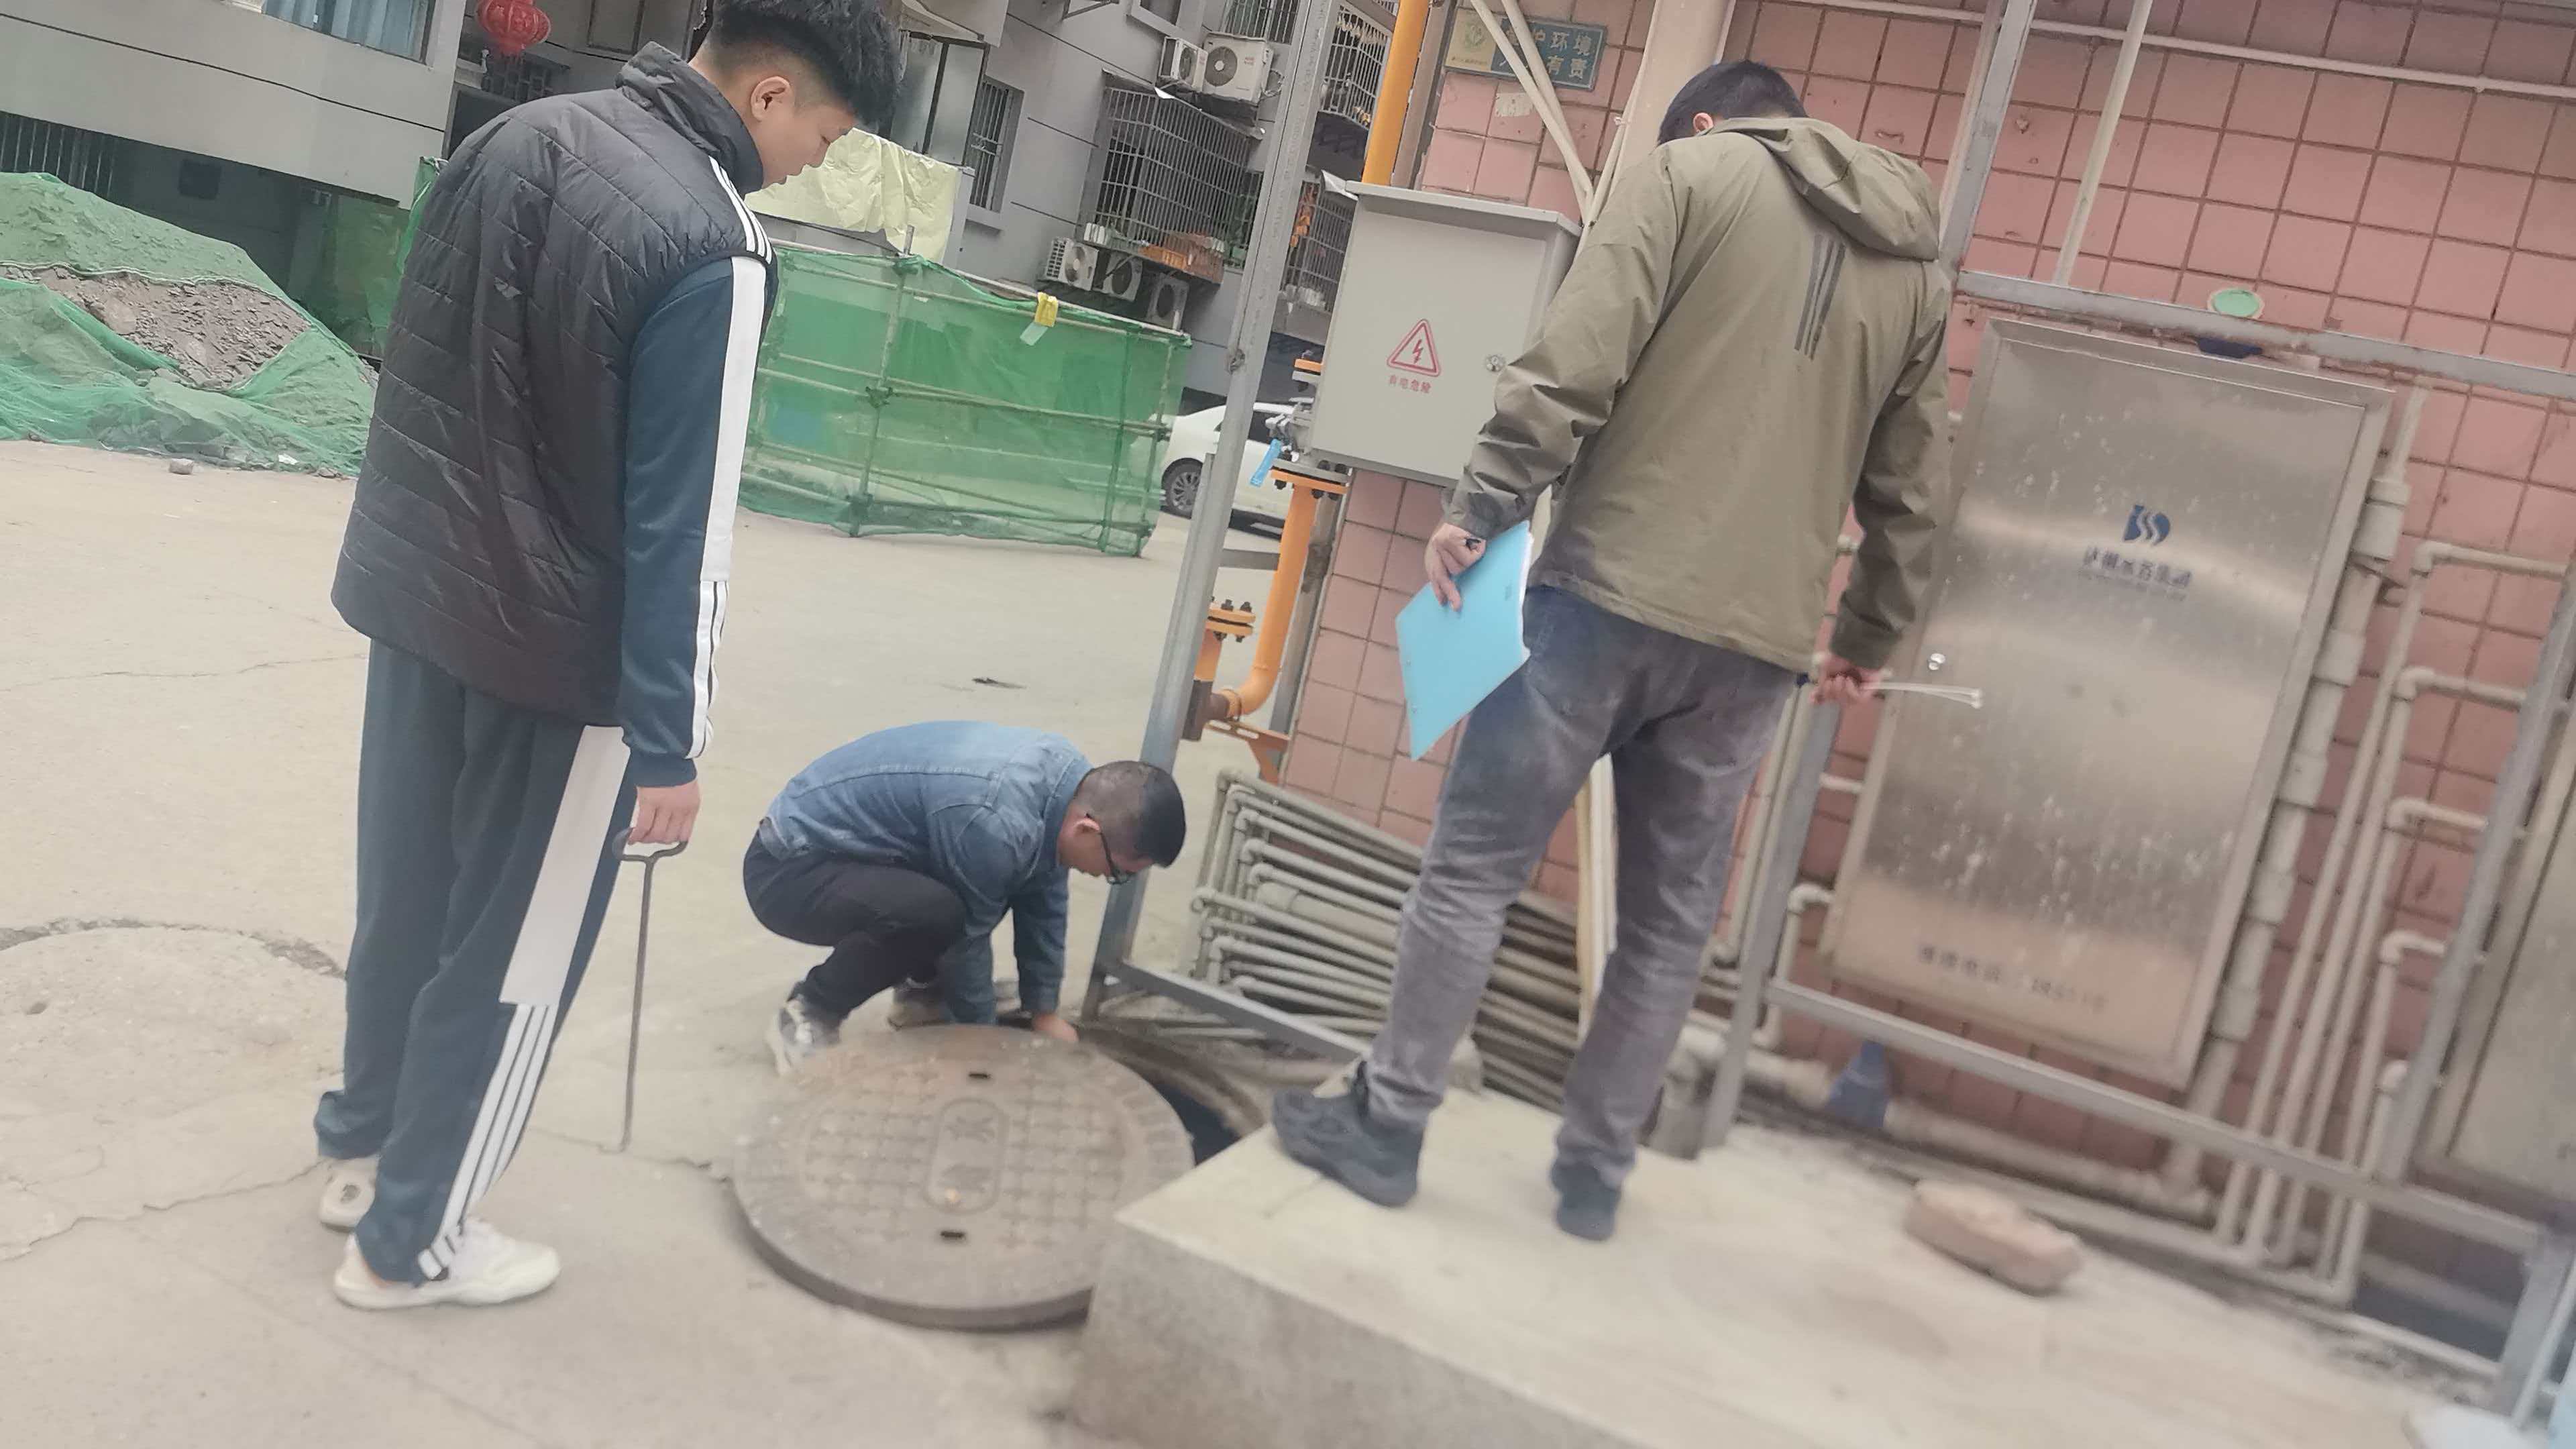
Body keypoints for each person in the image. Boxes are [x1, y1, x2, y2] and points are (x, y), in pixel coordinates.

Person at [1271, 61, 1953, 1242]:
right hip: (1752, 653)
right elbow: (1912, 490)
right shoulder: (1917, 273)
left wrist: (1482, 503)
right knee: (1668, 926)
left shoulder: (1687, 177)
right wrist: (1867, 635)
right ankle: (1594, 1175)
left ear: (1707, 122)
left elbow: (1574, 364)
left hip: (1602, 601)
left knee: (1473, 869)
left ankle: (1389, 1124)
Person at [312, 1, 902, 1311]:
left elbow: (420, 369)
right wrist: (668, 739)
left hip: (418, 604)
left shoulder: (515, 137)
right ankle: (411, 1242)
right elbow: (681, 523)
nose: (812, 162)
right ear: (769, 96)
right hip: (553, 658)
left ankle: (361, 1150)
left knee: (406, 899)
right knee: (511, 957)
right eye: (824, 135)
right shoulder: (716, 244)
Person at [747, 722, 1189, 1069]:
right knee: (941, 913)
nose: (1108, 877)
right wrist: (979, 1039)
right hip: (789, 871)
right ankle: (810, 1008)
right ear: (1087, 831)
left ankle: (921, 993)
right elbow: (967, 942)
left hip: (864, 855)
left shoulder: (1070, 787)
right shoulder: (993, 818)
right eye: (1117, 872)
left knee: (979, 882)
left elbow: (1045, 902)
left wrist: (1044, 1012)